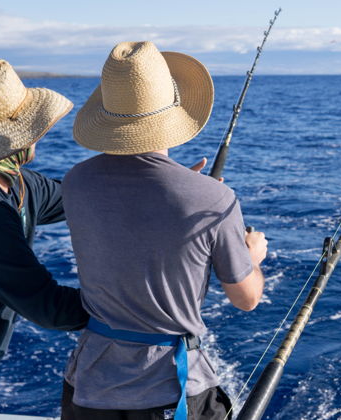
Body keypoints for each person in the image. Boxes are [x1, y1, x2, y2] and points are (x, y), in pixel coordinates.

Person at [60, 41, 268, 420]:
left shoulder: (76, 183)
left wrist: (179, 195)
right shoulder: (214, 199)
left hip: (90, 389)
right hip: (170, 395)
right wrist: (251, 255)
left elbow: (125, 218)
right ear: (173, 110)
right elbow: (246, 299)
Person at [0, 59, 89, 419]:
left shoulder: (19, 183)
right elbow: (48, 306)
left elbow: (85, 198)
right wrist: (131, 307)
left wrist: (172, 189)